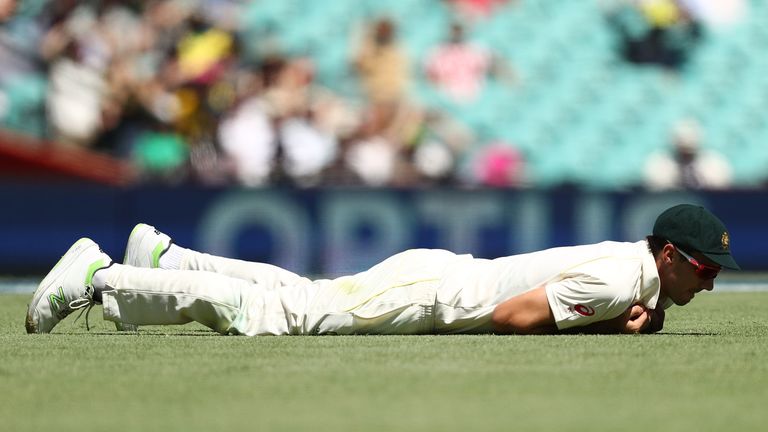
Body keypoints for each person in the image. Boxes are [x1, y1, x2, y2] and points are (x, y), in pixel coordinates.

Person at [25, 204, 739, 336]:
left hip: (433, 279)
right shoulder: (621, 284)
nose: (711, 281)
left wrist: (638, 319)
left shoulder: (630, 271)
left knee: (302, 295)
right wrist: (615, 331)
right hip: (432, 297)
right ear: (670, 256)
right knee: (285, 317)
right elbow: (510, 316)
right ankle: (101, 279)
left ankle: (166, 257)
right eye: (704, 269)